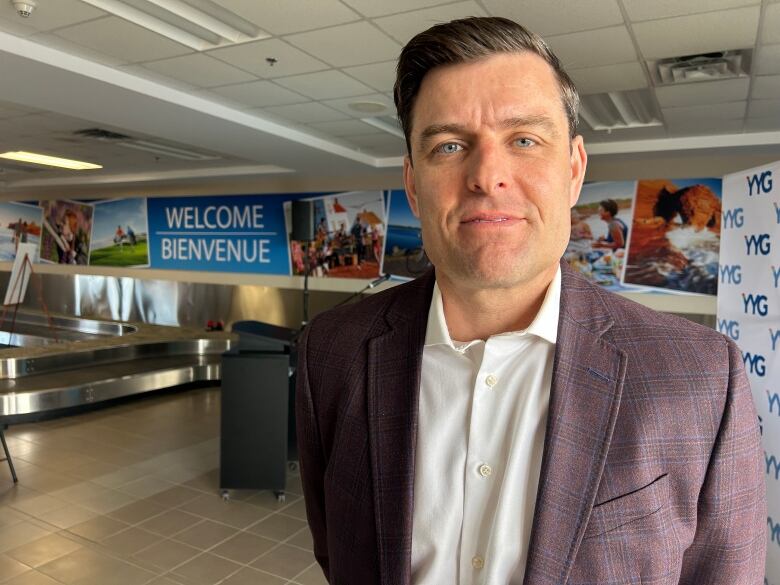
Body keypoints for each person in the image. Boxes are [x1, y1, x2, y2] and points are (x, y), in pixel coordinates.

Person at [296, 17, 765, 585]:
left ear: (573, 169)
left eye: (524, 139)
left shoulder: (700, 376)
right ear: (414, 184)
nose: (488, 175)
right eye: (449, 145)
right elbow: (337, 553)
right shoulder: (332, 351)